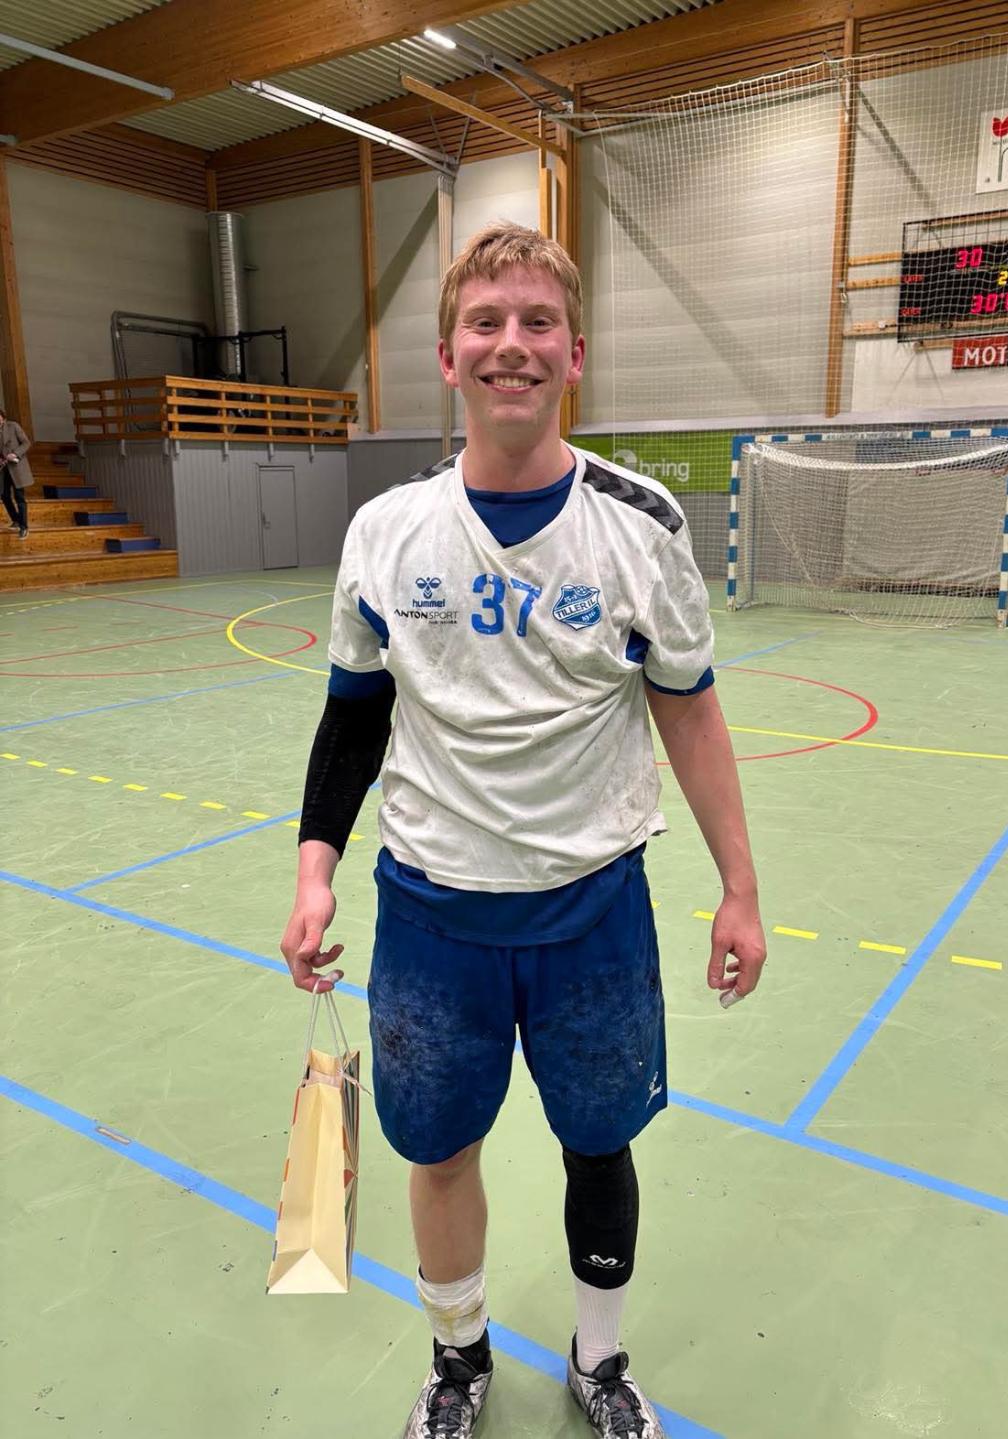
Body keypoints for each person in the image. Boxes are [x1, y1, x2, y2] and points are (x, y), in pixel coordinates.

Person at [280, 222, 766, 1439]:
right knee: (439, 1151)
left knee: (599, 1146)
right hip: (431, 915)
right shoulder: (386, 532)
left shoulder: (641, 524)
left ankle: (599, 1360)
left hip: (592, 911)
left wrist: (741, 886)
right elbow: (352, 716)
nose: (513, 343)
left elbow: (691, 710)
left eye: (538, 321)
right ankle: (459, 1360)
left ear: (575, 352)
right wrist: (314, 869)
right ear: (448, 356)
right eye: (486, 321)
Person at [0, 407, 33, 539]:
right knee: (4, 495)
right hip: (4, 469)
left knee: (19, 497)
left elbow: (26, 443)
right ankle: (16, 520)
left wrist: (15, 454)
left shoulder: (13, 426)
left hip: (17, 467)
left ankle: (24, 527)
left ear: (3, 417)